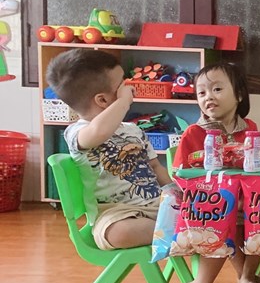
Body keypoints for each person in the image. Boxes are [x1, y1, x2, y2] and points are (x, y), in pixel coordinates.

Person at [46, 48, 174, 251]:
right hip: (114, 213)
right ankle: (177, 229)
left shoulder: (133, 129)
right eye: (122, 84)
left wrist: (175, 193)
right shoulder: (77, 133)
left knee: (204, 212)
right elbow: (99, 131)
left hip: (157, 205)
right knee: (118, 233)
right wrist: (124, 102)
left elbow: (156, 166)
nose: (128, 87)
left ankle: (175, 226)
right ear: (103, 100)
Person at [172, 62, 260, 283]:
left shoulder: (250, 128)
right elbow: (180, 174)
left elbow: (256, 168)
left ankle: (246, 276)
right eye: (201, 93)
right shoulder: (194, 133)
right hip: (204, 206)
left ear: (239, 94)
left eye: (217, 89)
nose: (208, 97)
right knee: (223, 214)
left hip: (241, 203)